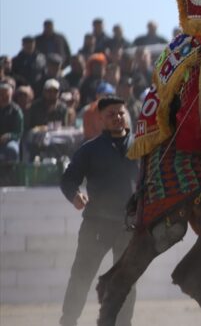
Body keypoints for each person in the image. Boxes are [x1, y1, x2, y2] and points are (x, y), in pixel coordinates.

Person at [59, 97, 138, 326]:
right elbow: (69, 179)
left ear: (126, 114)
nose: (117, 118)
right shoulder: (90, 149)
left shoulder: (141, 146)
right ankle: (68, 320)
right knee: (81, 277)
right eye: (111, 114)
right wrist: (75, 195)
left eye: (120, 113)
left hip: (129, 226)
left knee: (127, 281)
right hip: (96, 224)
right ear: (101, 119)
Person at [0, 83, 24, 162]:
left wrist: (9, 136)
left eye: (6, 94)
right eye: (1, 94)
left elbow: (18, 133)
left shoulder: (16, 111)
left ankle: (12, 173)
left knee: (12, 149)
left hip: (9, 141)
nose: (3, 97)